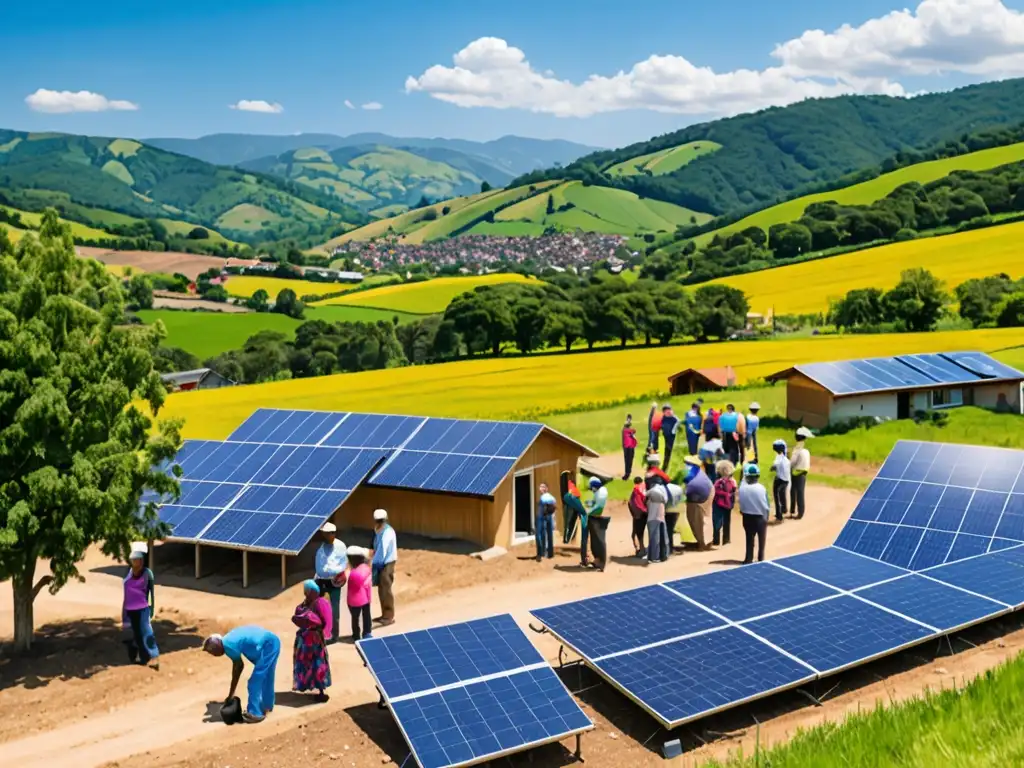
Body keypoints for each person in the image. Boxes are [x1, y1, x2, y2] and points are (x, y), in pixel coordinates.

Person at [203, 626, 281, 723]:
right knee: (267, 676)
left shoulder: (228, 645)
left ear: (216, 645)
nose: (214, 655)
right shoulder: (229, 639)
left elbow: (238, 667)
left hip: (267, 646)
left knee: (254, 682)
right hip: (273, 642)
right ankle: (267, 706)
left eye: (212, 651)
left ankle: (255, 713)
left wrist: (231, 695)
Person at [291, 580, 332, 702]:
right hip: (305, 640)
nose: (305, 592)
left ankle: (320, 690)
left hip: (314, 640)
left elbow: (326, 622)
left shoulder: (320, 603)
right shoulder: (305, 604)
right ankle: (309, 686)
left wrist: (322, 633)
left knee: (317, 665)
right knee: (306, 664)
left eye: (307, 590)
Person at [122, 549, 159, 669]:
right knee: (136, 634)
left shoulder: (147, 574)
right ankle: (142, 657)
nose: (135, 562)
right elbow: (126, 593)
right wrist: (124, 612)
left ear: (141, 561)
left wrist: (152, 608)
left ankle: (154, 656)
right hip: (130, 608)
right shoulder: (128, 572)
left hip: (142, 608)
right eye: (133, 560)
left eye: (137, 560)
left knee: (147, 632)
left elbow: (151, 593)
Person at [313, 522, 347, 644]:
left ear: (333, 534)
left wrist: (333, 572)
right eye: (324, 534)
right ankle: (322, 632)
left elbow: (343, 564)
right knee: (321, 608)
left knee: (334, 608)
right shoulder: (321, 549)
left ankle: (334, 635)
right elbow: (319, 566)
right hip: (321, 581)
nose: (326, 536)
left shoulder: (340, 546)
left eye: (328, 534)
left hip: (334, 581)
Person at [370, 509, 397, 626]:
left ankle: (389, 616)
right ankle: (384, 614)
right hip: (380, 562)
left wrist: (376, 562)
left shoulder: (387, 532)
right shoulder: (378, 530)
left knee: (386, 589)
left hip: (386, 563)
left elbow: (383, 550)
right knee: (382, 589)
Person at [739, 464, 770, 563]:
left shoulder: (742, 489)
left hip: (747, 517)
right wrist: (766, 518)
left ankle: (748, 558)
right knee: (762, 540)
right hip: (760, 518)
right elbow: (766, 505)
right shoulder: (762, 488)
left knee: (749, 539)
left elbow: (741, 505)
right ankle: (761, 558)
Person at [684, 456, 714, 550]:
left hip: (702, 494)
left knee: (700, 519)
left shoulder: (689, 471)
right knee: (697, 518)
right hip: (701, 493)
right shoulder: (694, 469)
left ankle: (704, 544)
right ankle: (703, 542)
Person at [346, 546, 373, 641]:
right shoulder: (367, 568)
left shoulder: (354, 573)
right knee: (366, 615)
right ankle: (367, 632)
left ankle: (356, 635)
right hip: (366, 598)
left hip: (354, 601)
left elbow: (352, 589)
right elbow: (368, 585)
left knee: (355, 618)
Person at [585, 477, 609, 571]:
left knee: (599, 541)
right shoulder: (600, 491)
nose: (591, 489)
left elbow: (598, 507)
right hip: (597, 518)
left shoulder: (601, 494)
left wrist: (588, 512)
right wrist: (588, 503)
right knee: (596, 541)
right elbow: (595, 503)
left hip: (598, 519)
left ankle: (600, 562)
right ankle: (597, 560)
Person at [712, 460, 737, 547]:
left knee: (717, 522)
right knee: (727, 521)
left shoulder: (718, 482)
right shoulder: (732, 481)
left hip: (718, 503)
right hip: (728, 504)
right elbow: (734, 491)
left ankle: (716, 540)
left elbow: (714, 491)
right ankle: (726, 539)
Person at [790, 427, 813, 519]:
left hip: (796, 473)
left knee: (794, 492)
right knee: (800, 493)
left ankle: (794, 511)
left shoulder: (797, 450)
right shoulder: (806, 451)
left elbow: (792, 462)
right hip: (804, 473)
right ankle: (800, 512)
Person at [646, 483, 668, 564]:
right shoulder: (661, 501)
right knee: (659, 539)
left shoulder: (650, 501)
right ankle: (659, 556)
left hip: (653, 519)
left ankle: (654, 557)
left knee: (655, 539)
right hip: (658, 519)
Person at [771, 439, 790, 522]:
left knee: (777, 496)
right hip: (786, 480)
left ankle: (779, 515)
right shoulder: (785, 457)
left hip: (780, 480)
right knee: (782, 494)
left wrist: (772, 468)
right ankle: (784, 509)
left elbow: (774, 466)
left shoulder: (779, 458)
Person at [628, 476, 648, 557]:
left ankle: (641, 550)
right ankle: (641, 549)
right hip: (645, 512)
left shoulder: (636, 490)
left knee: (636, 533)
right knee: (639, 532)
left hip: (639, 514)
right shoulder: (645, 488)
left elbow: (633, 503)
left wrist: (635, 514)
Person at [536, 484, 557, 560]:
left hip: (542, 517)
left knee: (540, 534)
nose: (540, 488)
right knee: (549, 534)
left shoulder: (543, 498)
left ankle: (542, 553)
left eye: (542, 487)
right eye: (540, 486)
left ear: (546, 489)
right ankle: (550, 554)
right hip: (549, 516)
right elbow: (554, 508)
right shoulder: (552, 497)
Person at [660, 405, 680, 471]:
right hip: (667, 441)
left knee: (675, 457)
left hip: (674, 442)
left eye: (669, 409)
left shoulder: (675, 419)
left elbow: (680, 426)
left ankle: (676, 469)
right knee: (667, 456)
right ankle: (664, 470)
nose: (668, 411)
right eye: (666, 410)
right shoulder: (663, 418)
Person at [621, 415, 637, 480]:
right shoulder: (631, 430)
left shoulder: (623, 430)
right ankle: (628, 472)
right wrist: (629, 420)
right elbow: (634, 430)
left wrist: (628, 420)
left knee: (627, 460)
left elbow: (626, 426)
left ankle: (627, 474)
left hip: (626, 447)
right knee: (630, 460)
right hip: (631, 447)